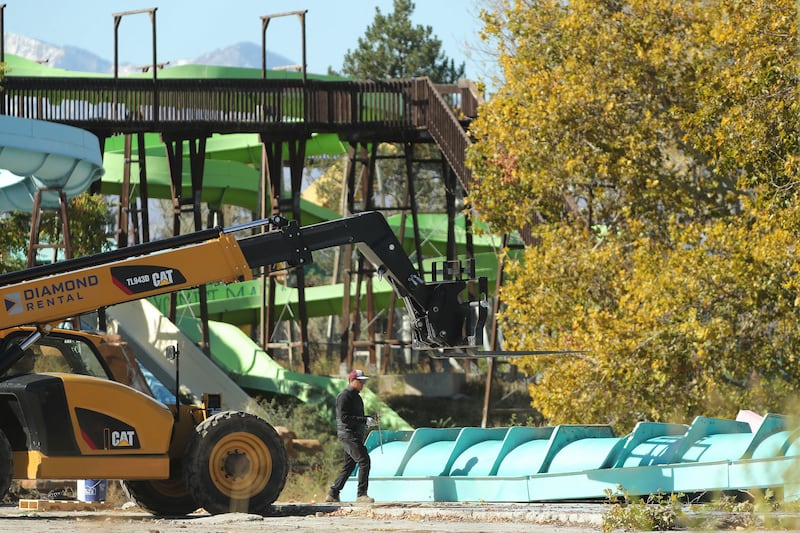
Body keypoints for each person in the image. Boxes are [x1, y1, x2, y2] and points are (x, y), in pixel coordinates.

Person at [325, 369, 376, 504]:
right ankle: (361, 495)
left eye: (363, 381)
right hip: (348, 434)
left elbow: (353, 417)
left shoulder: (356, 397)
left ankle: (333, 493)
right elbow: (344, 418)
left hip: (352, 434)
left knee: (349, 465)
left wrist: (367, 419)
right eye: (360, 381)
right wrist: (364, 420)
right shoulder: (344, 396)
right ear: (352, 380)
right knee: (364, 460)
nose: (363, 384)